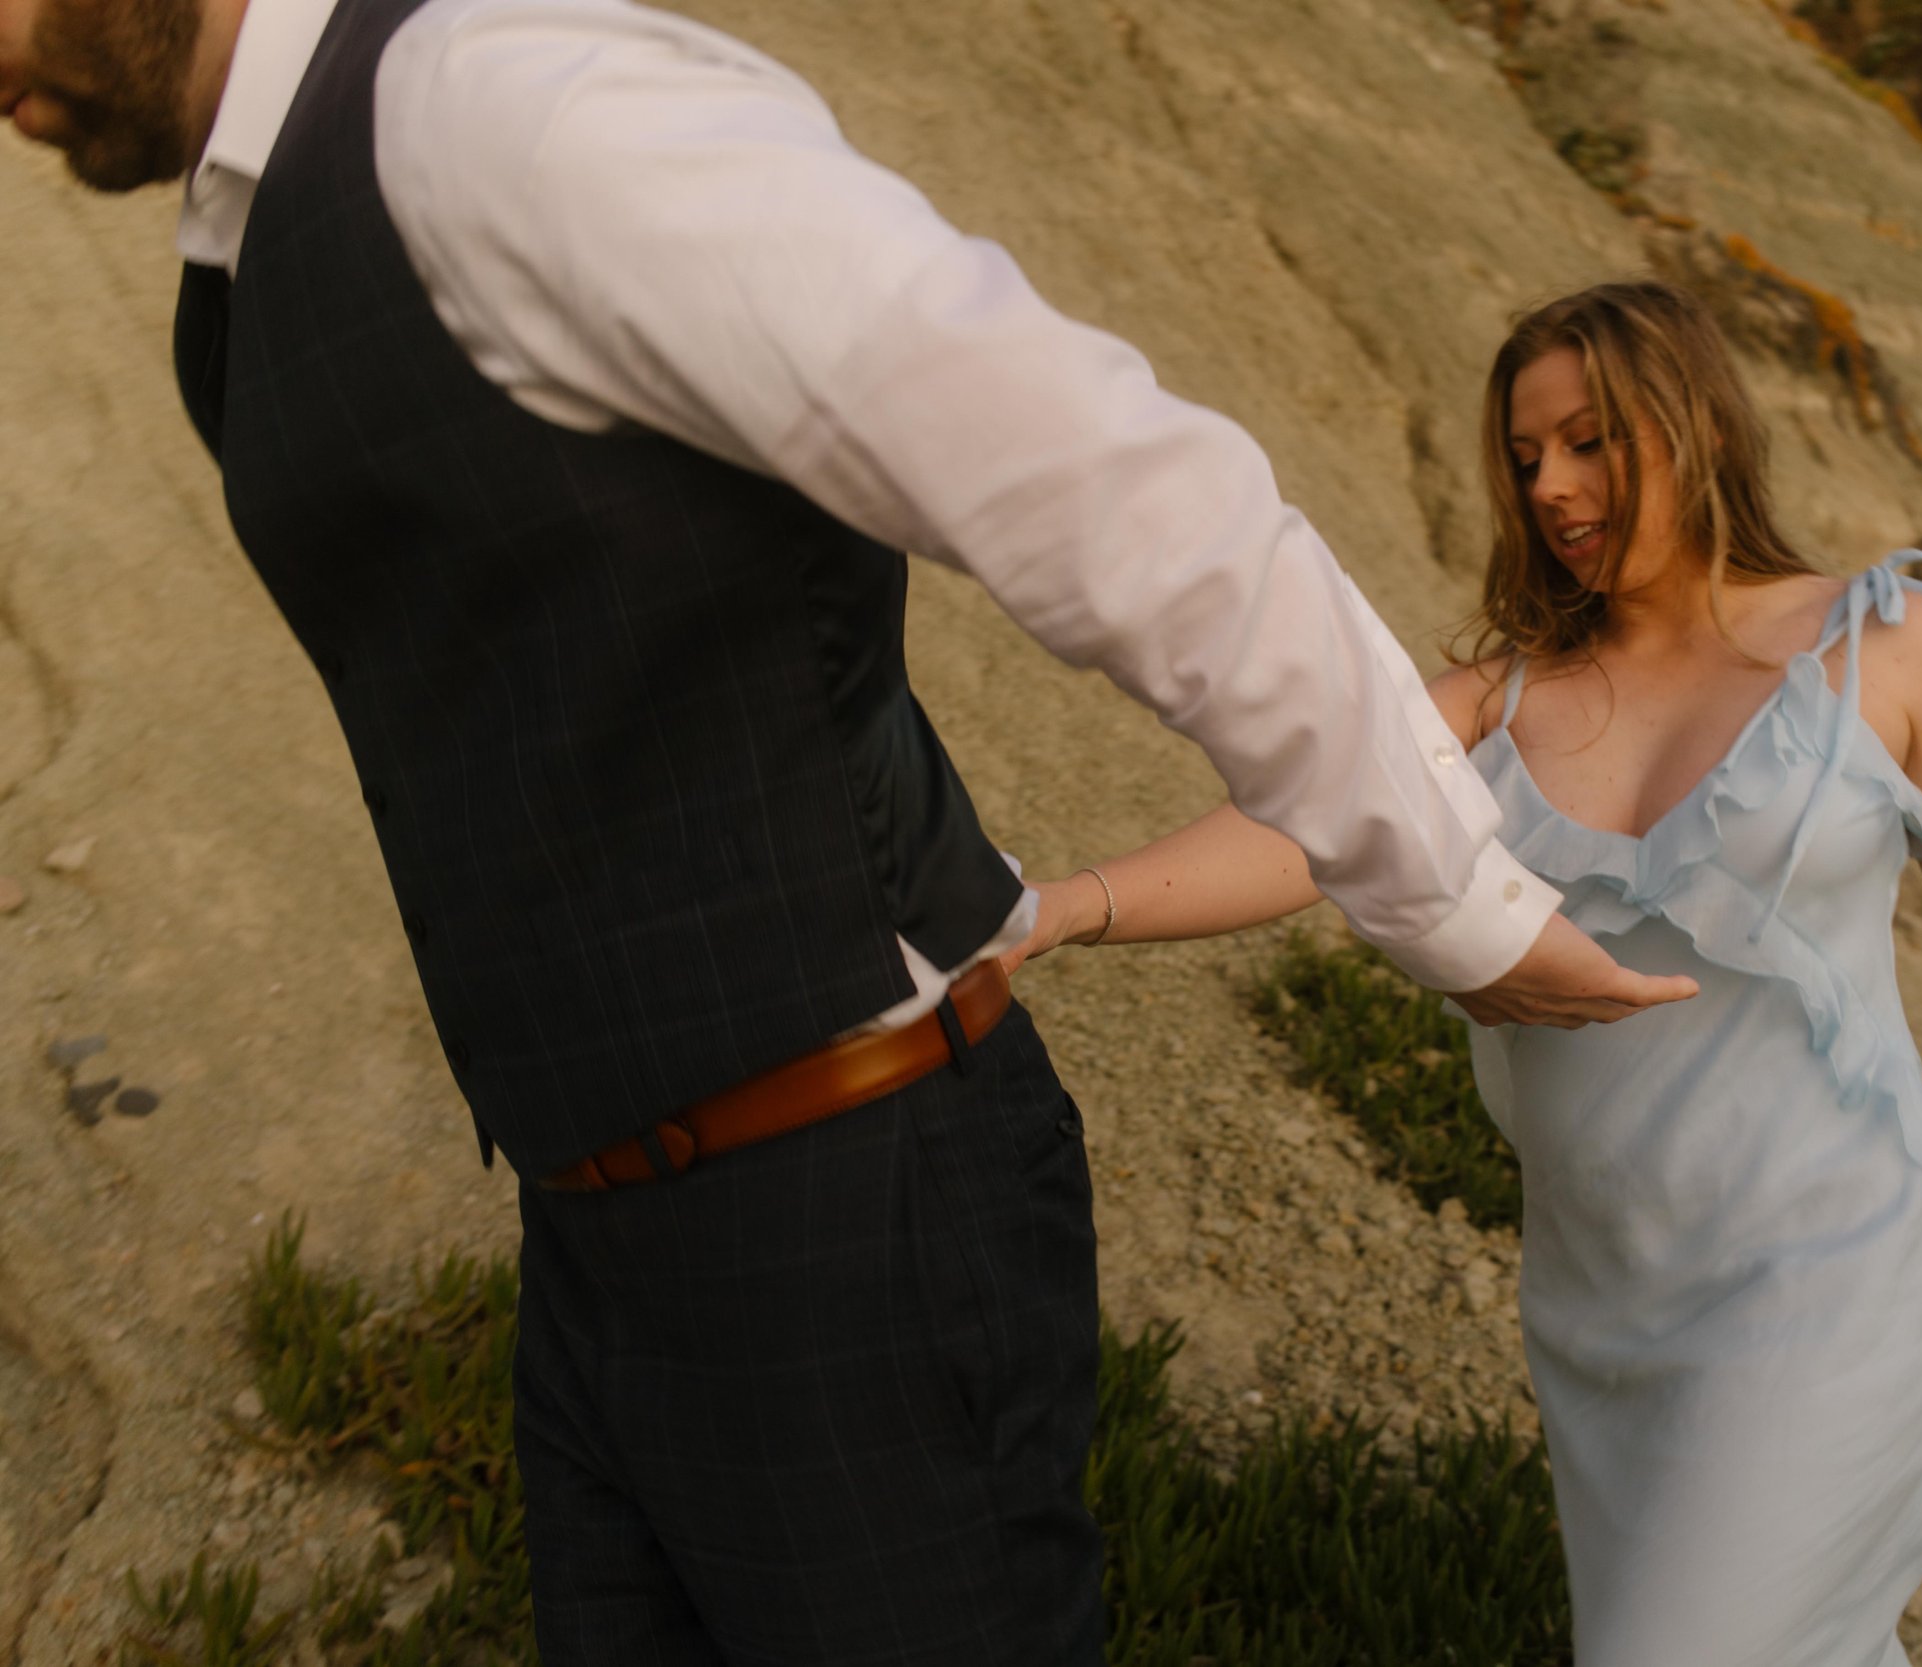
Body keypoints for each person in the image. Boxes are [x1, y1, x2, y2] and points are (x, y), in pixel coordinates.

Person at [0, 0, 1702, 1659]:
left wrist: (1449, 897)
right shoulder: (237, 274)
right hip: (598, 1241)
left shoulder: (499, 97)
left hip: (849, 1203)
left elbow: (1095, 471)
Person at [1011, 281, 1922, 1665]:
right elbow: (1306, 827)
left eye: (1592, 440)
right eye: (1528, 454)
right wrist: (1066, 907)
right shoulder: (1507, 695)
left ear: (1692, 422)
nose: (1552, 485)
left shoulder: (1885, 647)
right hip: (1607, 1302)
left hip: (1826, 1272)